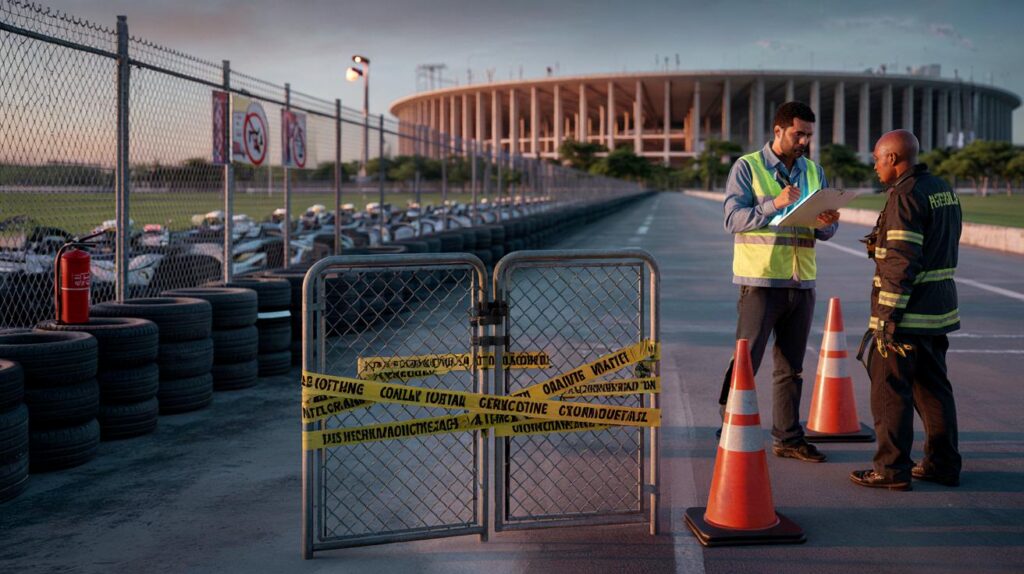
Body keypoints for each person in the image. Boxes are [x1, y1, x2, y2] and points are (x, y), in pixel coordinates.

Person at [720, 101, 840, 462]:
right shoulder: (748, 167)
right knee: (746, 362)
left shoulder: (815, 172)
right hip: (760, 282)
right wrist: (774, 203)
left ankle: (788, 438)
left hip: (801, 283)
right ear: (778, 131)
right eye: (798, 133)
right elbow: (732, 220)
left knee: (792, 366)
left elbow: (828, 231)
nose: (804, 141)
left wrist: (827, 222)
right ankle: (727, 427)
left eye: (808, 135)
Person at [850, 130, 963, 491]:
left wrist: (886, 318)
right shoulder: (941, 188)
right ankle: (942, 464)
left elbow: (901, 260)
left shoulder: (906, 195)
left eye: (877, 159)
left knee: (889, 391)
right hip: (938, 311)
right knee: (934, 391)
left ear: (894, 159)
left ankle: (890, 469)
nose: (874, 165)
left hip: (907, 314)